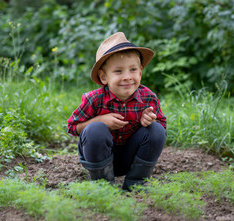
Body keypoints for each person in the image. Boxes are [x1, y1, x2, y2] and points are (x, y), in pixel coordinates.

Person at [67, 32, 166, 191]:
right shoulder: (94, 99)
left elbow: (161, 128)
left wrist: (150, 120)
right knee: (95, 129)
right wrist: (100, 120)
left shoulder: (148, 98)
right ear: (104, 77)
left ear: (140, 72)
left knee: (156, 130)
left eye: (132, 69)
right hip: (99, 157)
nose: (127, 77)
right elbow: (72, 127)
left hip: (131, 158)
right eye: (118, 71)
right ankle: (103, 186)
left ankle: (136, 183)